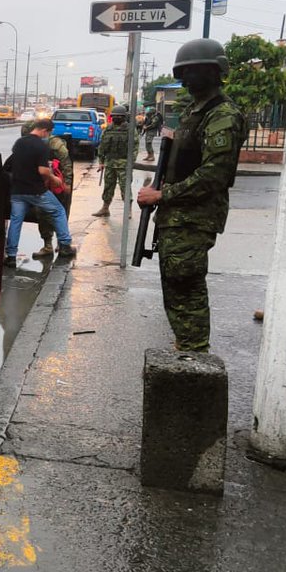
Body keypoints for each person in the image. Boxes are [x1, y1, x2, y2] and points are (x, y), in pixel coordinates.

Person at [136, 38, 245, 352]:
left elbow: (215, 174)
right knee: (174, 283)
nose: (189, 78)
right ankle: (186, 343)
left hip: (193, 217)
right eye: (186, 72)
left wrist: (162, 196)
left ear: (215, 72)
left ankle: (193, 351)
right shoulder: (194, 112)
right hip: (177, 216)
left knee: (186, 284)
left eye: (196, 71)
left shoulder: (221, 114)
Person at [5, 119, 76, 265]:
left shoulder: (19, 143)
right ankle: (65, 245)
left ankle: (11, 256)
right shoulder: (41, 146)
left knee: (16, 221)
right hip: (36, 191)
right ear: (45, 130)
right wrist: (53, 178)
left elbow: (8, 166)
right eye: (48, 132)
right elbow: (42, 171)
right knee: (59, 211)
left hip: (17, 191)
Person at [27, 122, 73, 258]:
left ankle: (63, 244)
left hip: (58, 185)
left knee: (60, 213)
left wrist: (68, 184)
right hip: (42, 185)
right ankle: (48, 246)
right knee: (42, 214)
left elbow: (66, 164)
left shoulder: (56, 145)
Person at [92, 105, 136, 217]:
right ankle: (105, 208)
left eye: (119, 116)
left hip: (124, 164)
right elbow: (102, 145)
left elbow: (135, 147)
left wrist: (131, 162)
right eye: (114, 116)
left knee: (125, 187)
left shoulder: (130, 129)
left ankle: (128, 210)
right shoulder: (108, 129)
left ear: (124, 117)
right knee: (108, 187)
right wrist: (101, 161)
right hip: (110, 163)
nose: (116, 118)